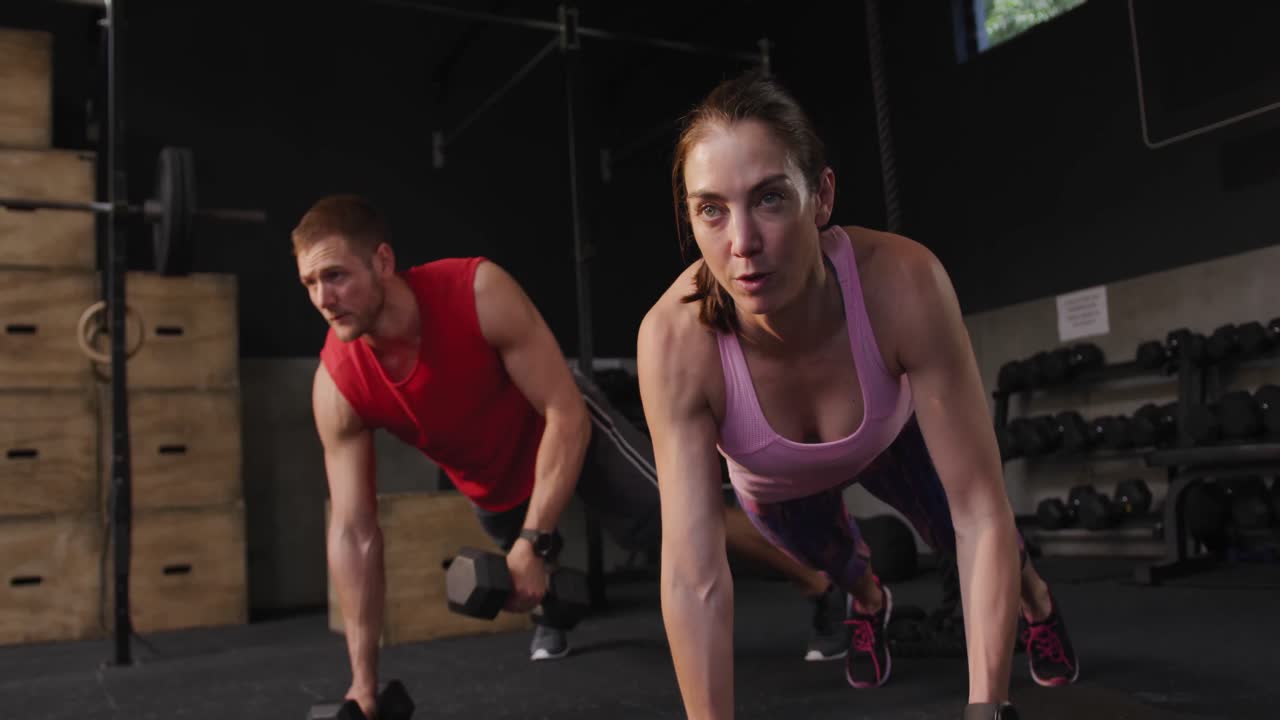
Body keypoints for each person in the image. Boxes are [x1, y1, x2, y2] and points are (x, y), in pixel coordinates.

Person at [293, 195, 845, 719]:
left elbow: (566, 415)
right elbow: (354, 531)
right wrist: (363, 682)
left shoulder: (475, 291)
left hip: (567, 425)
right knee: (522, 581)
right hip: (492, 477)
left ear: (383, 260)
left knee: (678, 521)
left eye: (335, 275)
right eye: (310, 283)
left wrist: (534, 540)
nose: (323, 297)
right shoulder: (338, 386)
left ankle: (820, 583)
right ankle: (556, 606)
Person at [636, 71, 1079, 719]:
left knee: (993, 541)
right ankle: (870, 604)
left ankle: (1035, 604)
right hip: (777, 486)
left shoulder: (904, 282)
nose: (741, 244)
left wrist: (988, 708)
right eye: (711, 209)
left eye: (768, 199)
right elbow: (693, 578)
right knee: (842, 568)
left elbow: (980, 512)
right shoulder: (673, 340)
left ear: (820, 198)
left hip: (892, 438)